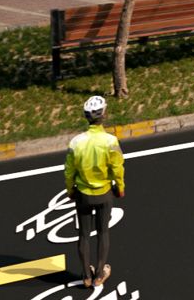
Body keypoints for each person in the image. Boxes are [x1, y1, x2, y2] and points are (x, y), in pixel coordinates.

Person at [64, 95, 125, 289]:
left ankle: (86, 276)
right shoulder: (110, 141)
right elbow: (118, 168)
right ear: (104, 115)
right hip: (104, 193)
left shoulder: (75, 142)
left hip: (82, 195)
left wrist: (70, 190)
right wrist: (120, 187)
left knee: (83, 235)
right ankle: (99, 275)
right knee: (103, 232)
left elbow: (68, 171)